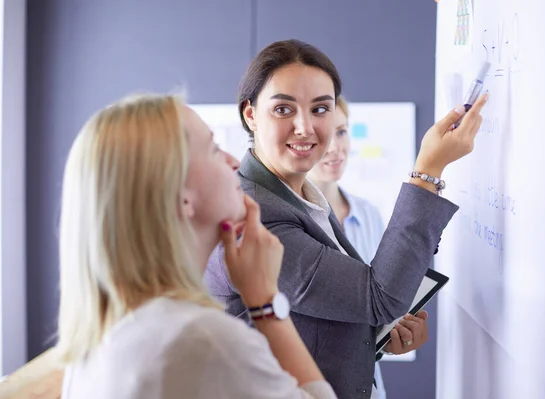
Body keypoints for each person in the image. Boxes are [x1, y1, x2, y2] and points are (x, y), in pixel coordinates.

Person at [205, 39, 487, 398]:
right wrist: (428, 170)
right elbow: (378, 297)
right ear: (250, 114)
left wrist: (376, 339)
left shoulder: (299, 197)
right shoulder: (254, 217)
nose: (305, 127)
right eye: (283, 110)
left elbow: (311, 324)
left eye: (321, 109)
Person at [56, 93, 337, 398]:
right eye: (214, 149)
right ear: (180, 196)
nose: (233, 161)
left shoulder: (101, 339)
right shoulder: (202, 340)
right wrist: (266, 302)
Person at [307, 95, 431, 399]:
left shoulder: (370, 215)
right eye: (324, 135)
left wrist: (395, 333)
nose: (335, 147)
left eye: (342, 132)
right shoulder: (290, 228)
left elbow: (381, 310)